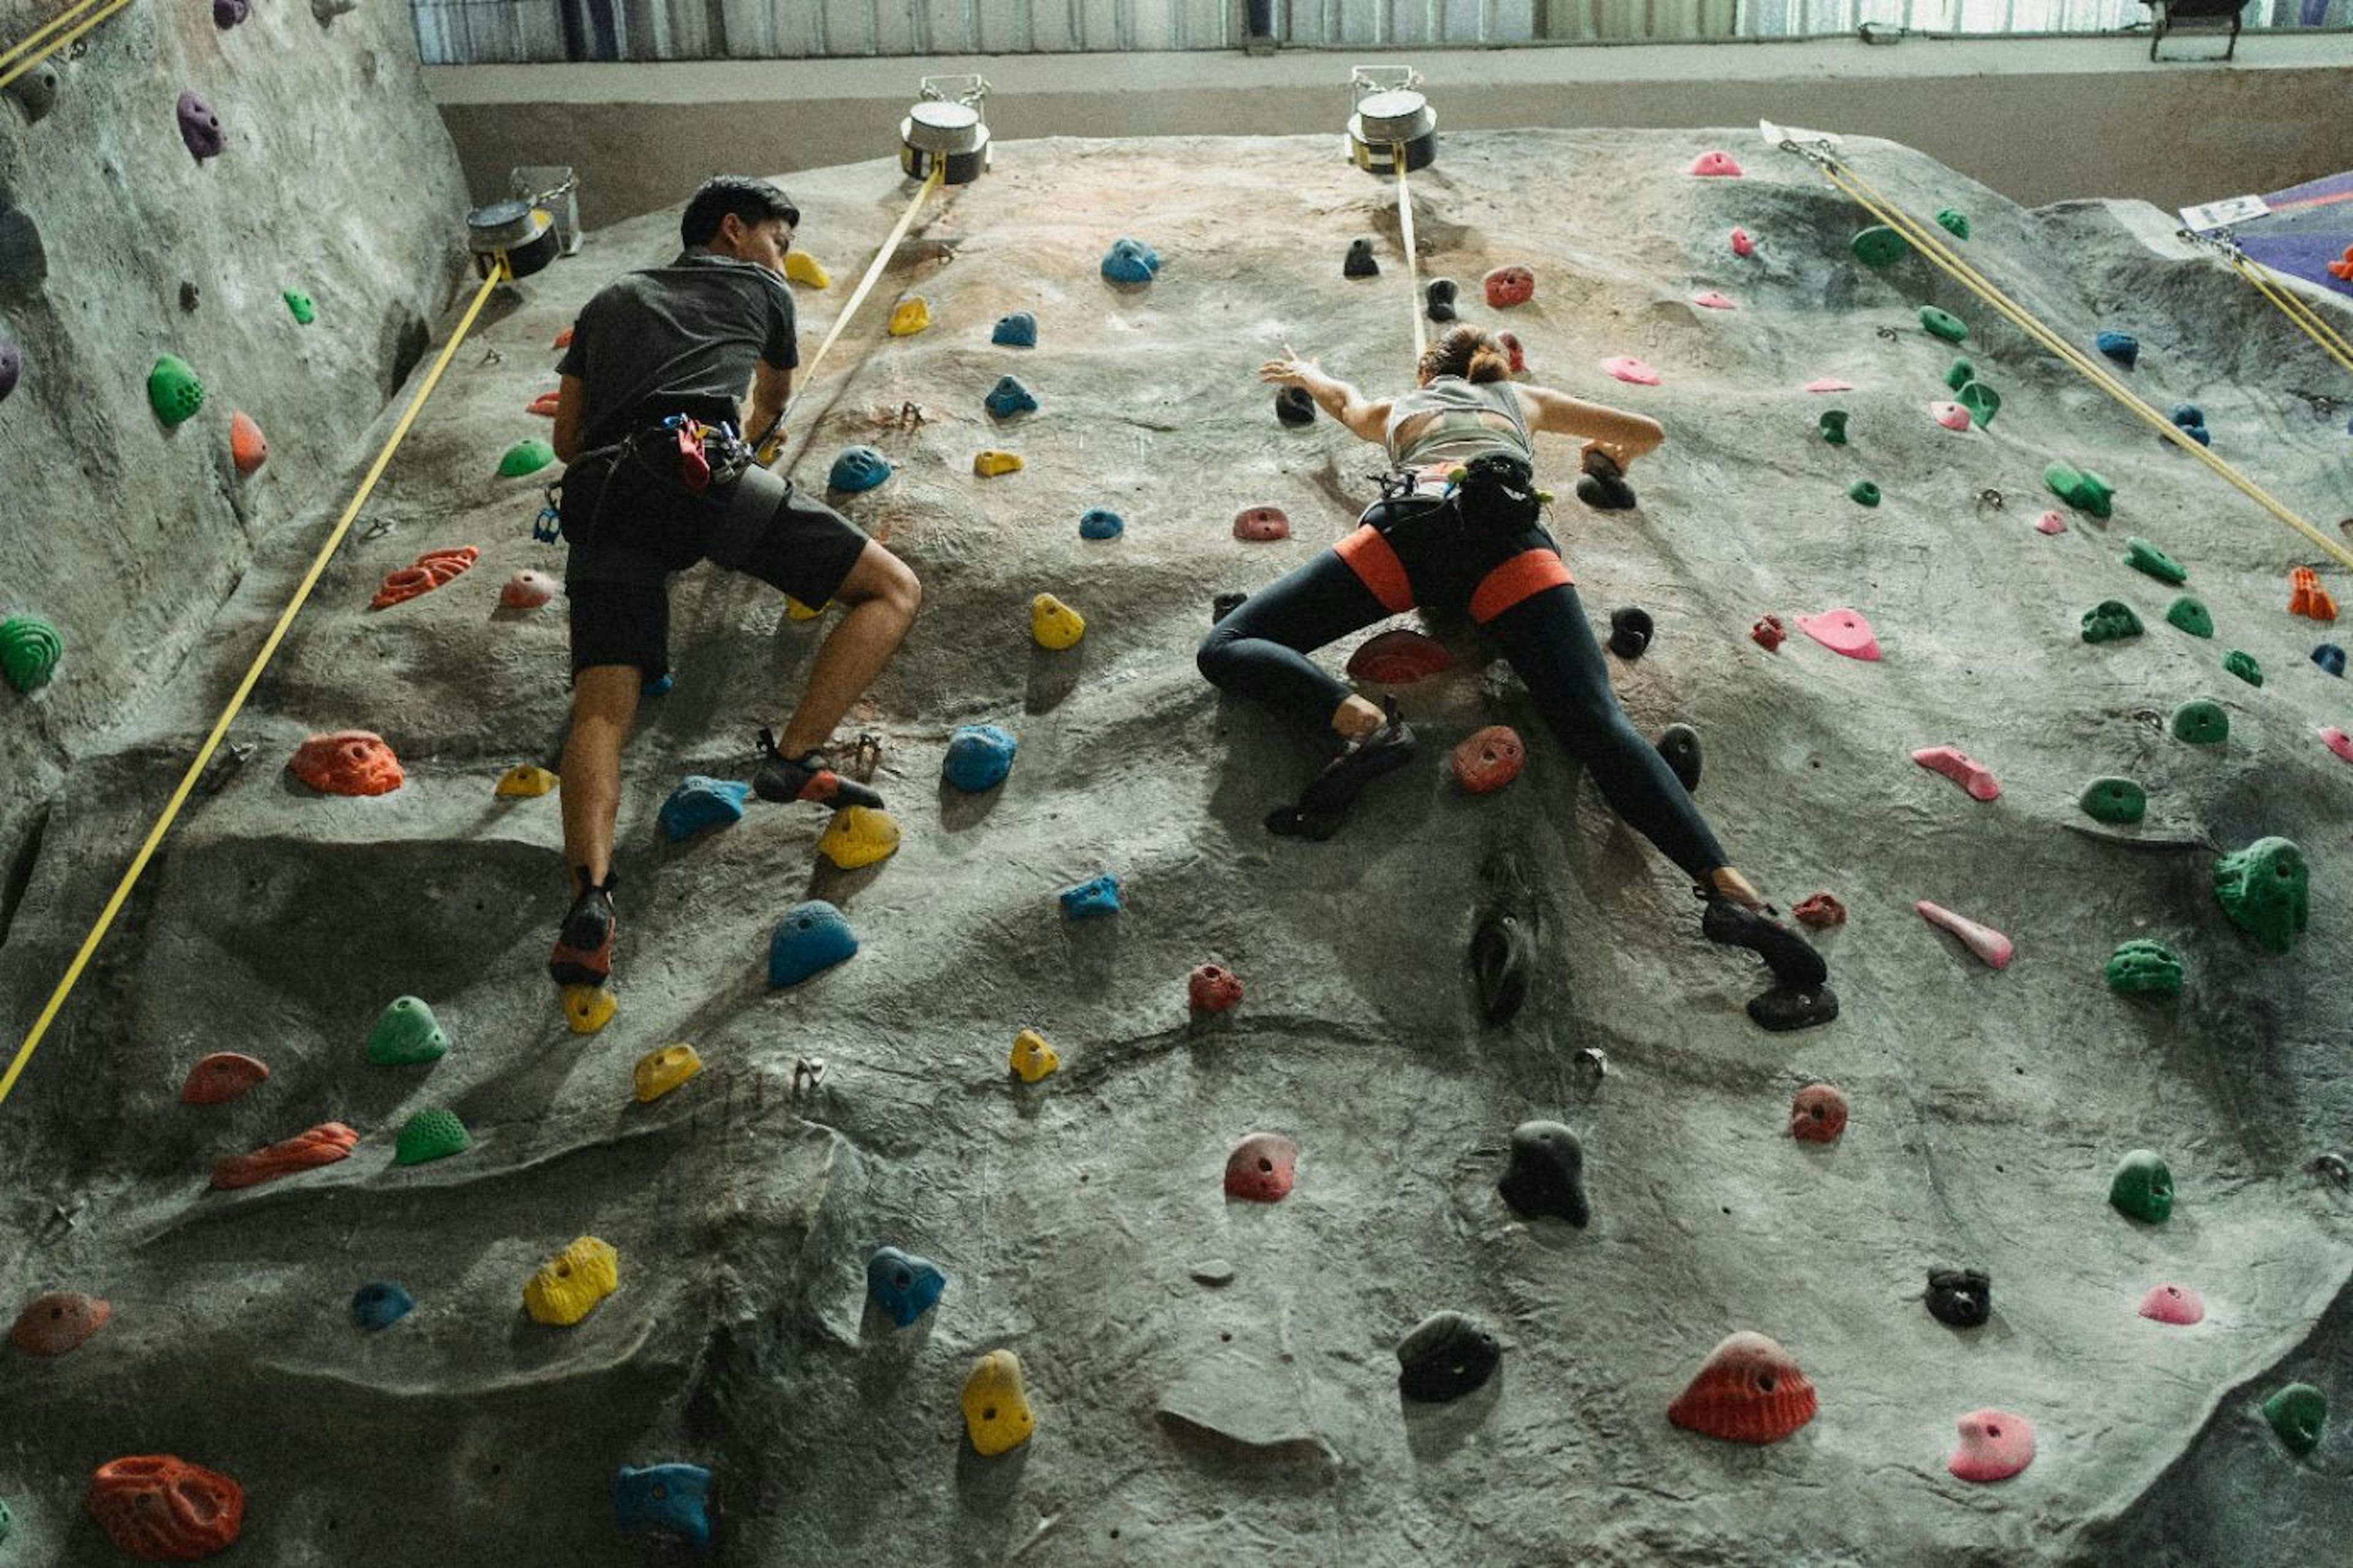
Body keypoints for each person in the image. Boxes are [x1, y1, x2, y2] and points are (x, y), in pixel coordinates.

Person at [1198, 325, 1833, 1030]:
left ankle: (1363, 725)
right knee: (1597, 721)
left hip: (1411, 529)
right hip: (1509, 544)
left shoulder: (1399, 408)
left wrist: (1310, 375)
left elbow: (1344, 403)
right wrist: (1612, 454)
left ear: (1425, 369)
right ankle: (1726, 887)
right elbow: (1647, 428)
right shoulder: (1520, 399)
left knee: (1231, 644)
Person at [544, 175, 923, 995]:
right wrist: (737, 458)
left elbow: (568, 440)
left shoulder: (608, 301)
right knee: (891, 590)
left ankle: (590, 900)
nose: (782, 256)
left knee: (603, 708)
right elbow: (772, 402)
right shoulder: (759, 284)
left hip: (605, 491)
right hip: (701, 472)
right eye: (778, 239)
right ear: (732, 230)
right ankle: (793, 756)